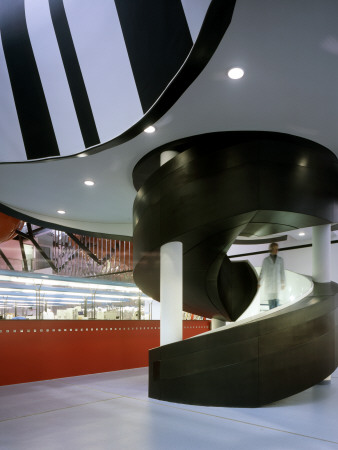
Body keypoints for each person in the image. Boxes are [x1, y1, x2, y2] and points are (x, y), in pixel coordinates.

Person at [258, 242, 285, 309]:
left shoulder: (280, 260)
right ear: (271, 249)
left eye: (277, 249)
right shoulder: (266, 260)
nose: (276, 250)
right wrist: (259, 283)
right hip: (269, 285)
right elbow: (263, 272)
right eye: (275, 248)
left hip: (277, 285)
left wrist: (283, 283)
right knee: (271, 305)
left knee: (277, 304)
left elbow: (282, 272)